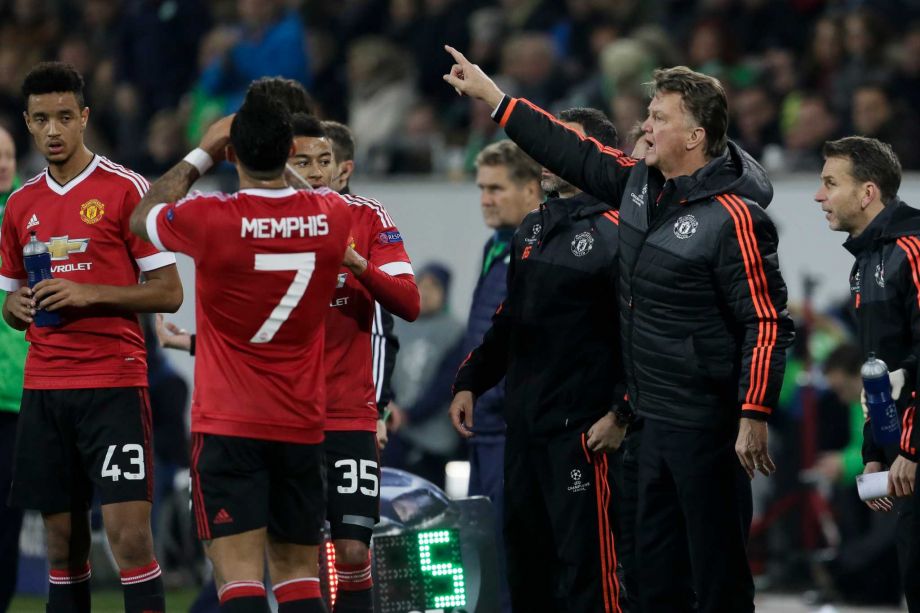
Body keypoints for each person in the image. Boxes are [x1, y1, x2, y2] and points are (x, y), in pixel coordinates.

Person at [443, 47, 794, 612]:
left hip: (706, 424)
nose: (645, 127)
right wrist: (495, 98)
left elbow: (767, 321)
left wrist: (753, 414)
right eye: (647, 115)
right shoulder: (636, 188)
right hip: (649, 427)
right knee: (654, 583)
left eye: (659, 118)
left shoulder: (735, 217)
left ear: (696, 136)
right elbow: (568, 147)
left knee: (718, 579)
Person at [129, 92, 351, 613]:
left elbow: (143, 216)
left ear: (232, 154)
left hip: (230, 426)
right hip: (300, 423)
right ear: (290, 150)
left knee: (240, 580)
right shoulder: (332, 216)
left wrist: (202, 152)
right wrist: (279, 162)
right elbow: (309, 196)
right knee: (300, 579)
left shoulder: (211, 218)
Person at [0, 62, 182, 613]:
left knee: (128, 537)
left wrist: (89, 294)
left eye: (63, 117)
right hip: (46, 388)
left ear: (84, 117)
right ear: (28, 125)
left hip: (112, 386)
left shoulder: (127, 190)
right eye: (40, 120)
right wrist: (17, 306)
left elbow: (169, 291)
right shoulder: (19, 204)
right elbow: (10, 302)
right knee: (62, 544)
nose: (52, 131)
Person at [450, 108, 629, 612]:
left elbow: (642, 334)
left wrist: (622, 411)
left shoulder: (620, 232)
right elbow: (510, 317)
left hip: (583, 433)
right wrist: (471, 378)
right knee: (527, 567)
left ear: (591, 155)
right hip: (523, 429)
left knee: (588, 570)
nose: (545, 152)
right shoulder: (532, 227)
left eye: (561, 142)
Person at [286, 113, 419, 613]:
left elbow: (407, 302)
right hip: (285, 417)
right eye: (303, 161)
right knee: (295, 555)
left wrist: (356, 263)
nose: (317, 171)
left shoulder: (368, 217)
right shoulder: (263, 225)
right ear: (284, 167)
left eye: (325, 160)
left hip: (348, 414)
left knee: (353, 549)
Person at [813, 135, 920, 610]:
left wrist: (912, 447)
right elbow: (879, 370)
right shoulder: (865, 264)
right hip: (901, 454)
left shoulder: (913, 249)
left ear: (868, 192)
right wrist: (875, 450)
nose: (820, 196)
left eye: (831, 183)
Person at [457, 139, 542, 612]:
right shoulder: (497, 248)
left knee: (511, 550)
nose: (486, 199)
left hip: (508, 427)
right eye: (481, 188)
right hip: (484, 427)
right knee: (488, 549)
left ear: (532, 190)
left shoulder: (536, 248)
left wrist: (496, 399)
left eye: (496, 188)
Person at [386, 262, 465, 488]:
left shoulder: (454, 331)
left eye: (434, 286)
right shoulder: (398, 324)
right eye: (421, 284)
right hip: (396, 432)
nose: (426, 292)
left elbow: (446, 383)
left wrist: (410, 414)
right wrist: (391, 406)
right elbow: (385, 368)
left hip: (435, 437)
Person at [0, 124, 27, 613]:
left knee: (7, 520)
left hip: (19, 397)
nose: (2, 163)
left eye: (6, 154)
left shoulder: (29, 217)